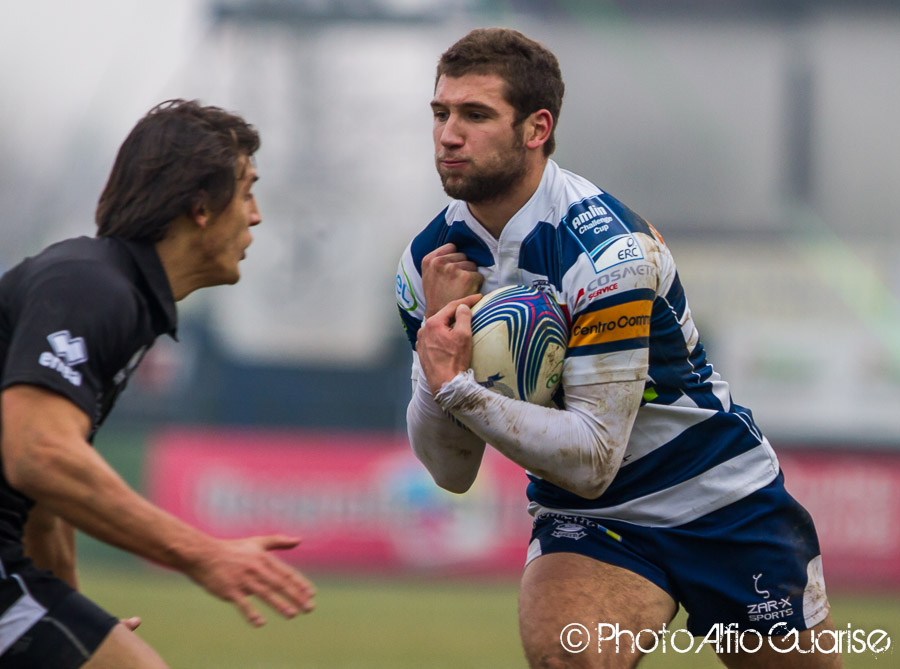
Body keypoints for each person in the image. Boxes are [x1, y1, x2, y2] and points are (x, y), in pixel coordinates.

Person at [395, 28, 841, 668]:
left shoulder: (605, 250)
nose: (448, 134)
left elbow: (594, 454)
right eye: (440, 113)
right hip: (593, 519)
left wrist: (457, 385)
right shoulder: (424, 265)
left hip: (723, 500)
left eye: (475, 114)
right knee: (566, 659)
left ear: (536, 127)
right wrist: (438, 350)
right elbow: (452, 471)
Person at [0, 99, 315, 668]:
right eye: (246, 190)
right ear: (200, 205)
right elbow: (37, 454)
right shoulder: (91, 287)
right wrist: (202, 554)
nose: (256, 215)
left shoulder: (116, 295)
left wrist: (75, 615)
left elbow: (42, 502)